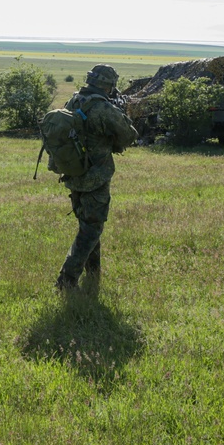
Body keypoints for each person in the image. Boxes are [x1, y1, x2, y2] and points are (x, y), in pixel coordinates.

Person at [55, 64, 138, 291]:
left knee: (89, 224)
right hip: (96, 176)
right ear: (108, 85)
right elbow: (130, 136)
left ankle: (93, 273)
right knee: (92, 228)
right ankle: (67, 279)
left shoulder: (73, 101)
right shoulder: (102, 107)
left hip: (73, 173)